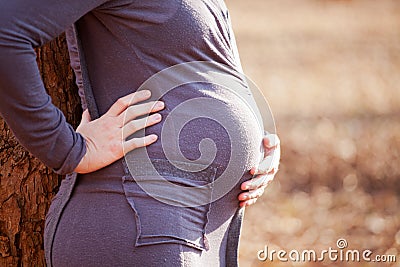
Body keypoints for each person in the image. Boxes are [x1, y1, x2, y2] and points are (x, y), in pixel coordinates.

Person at [0, 0, 280, 266]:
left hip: (198, 231)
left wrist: (260, 141)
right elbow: (6, 34)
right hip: (142, 221)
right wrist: (65, 148)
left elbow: (203, 61)